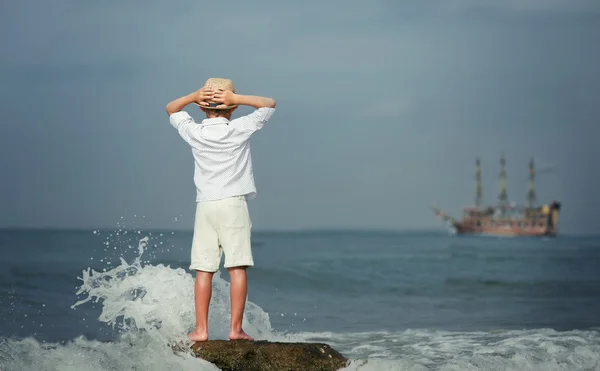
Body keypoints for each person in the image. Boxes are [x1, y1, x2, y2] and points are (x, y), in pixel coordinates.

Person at [165, 78, 276, 342]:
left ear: (203, 108)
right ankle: (235, 330)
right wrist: (236, 99)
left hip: (205, 205)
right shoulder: (239, 127)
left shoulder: (195, 131)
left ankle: (200, 330)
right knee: (236, 268)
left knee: (204, 270)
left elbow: (171, 109)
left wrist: (193, 94)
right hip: (232, 204)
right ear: (232, 107)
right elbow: (269, 105)